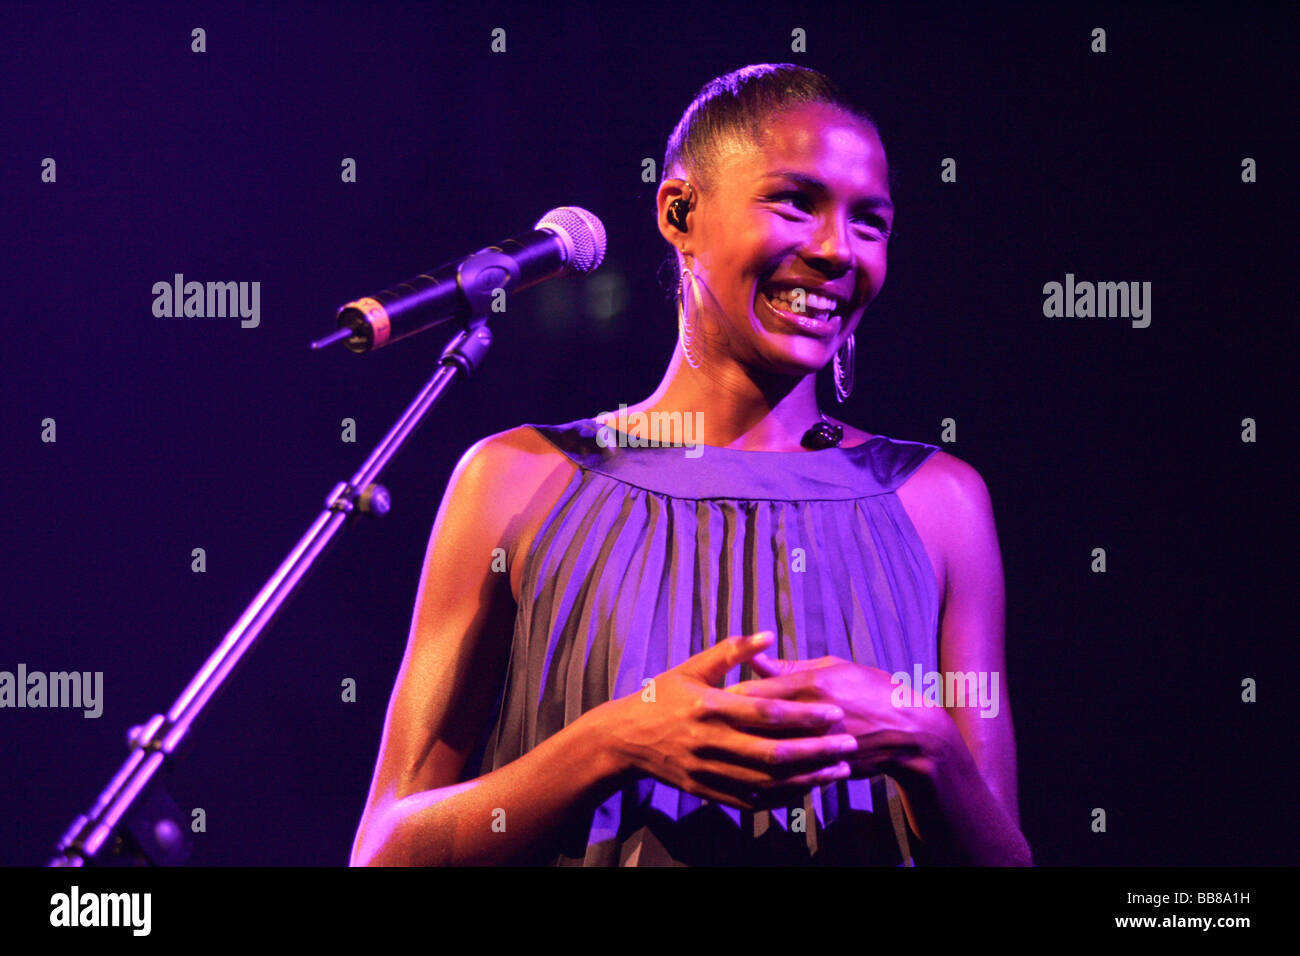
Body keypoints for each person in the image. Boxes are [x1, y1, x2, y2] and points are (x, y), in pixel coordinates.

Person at [350, 63, 1033, 866]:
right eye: (796, 202)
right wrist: (616, 739)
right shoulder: (514, 478)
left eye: (869, 223)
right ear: (680, 211)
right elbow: (386, 851)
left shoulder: (940, 502)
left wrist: (926, 743)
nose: (834, 251)